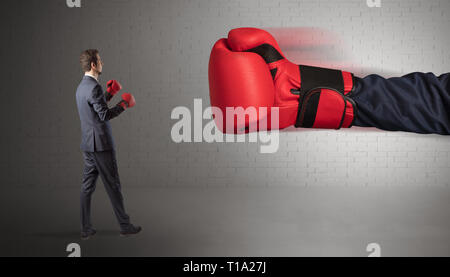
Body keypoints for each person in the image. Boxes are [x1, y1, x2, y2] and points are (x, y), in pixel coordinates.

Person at [75, 49, 141, 240]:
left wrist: (109, 94)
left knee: (87, 188)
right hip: (102, 146)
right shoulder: (93, 87)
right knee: (113, 185)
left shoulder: (81, 87)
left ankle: (85, 228)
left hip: (88, 145)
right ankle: (125, 226)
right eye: (100, 60)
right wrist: (124, 104)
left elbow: (95, 108)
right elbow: (103, 115)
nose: (102, 63)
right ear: (94, 65)